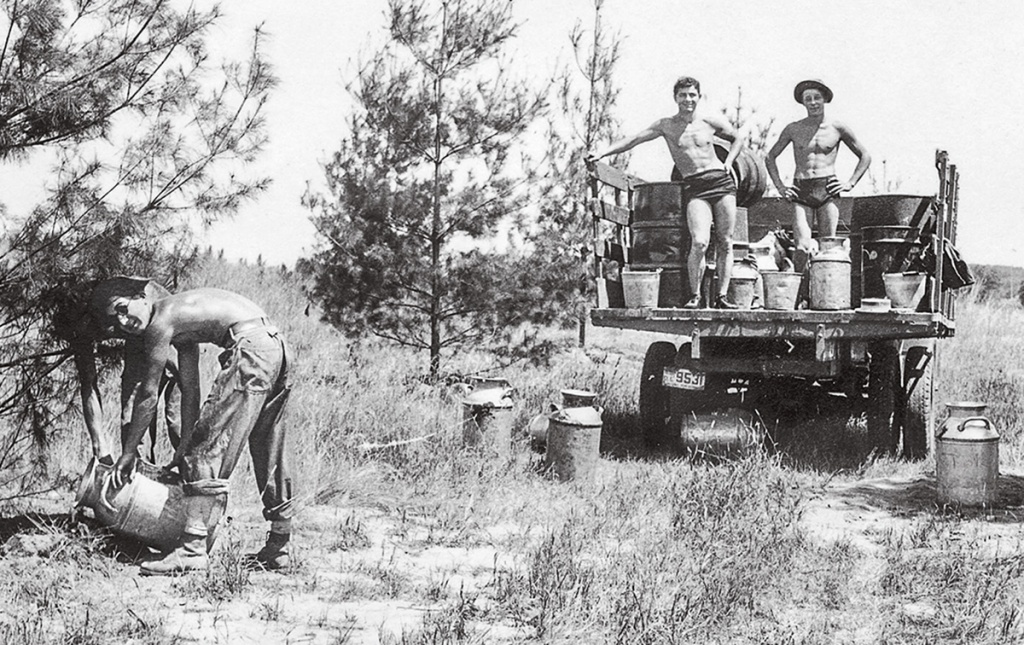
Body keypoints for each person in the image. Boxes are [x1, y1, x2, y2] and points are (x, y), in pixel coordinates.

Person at [90, 276, 295, 576]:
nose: (123, 322)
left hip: (251, 349)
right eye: (114, 319)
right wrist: (185, 442)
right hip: (274, 345)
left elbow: (148, 395)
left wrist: (129, 452)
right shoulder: (182, 318)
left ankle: (192, 549)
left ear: (141, 296)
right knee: (268, 443)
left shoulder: (161, 319)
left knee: (207, 447)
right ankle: (280, 547)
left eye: (123, 308)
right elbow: (190, 387)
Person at [587, 76, 747, 308]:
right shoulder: (666, 125)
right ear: (675, 98)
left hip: (722, 184)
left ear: (698, 97)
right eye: (683, 95)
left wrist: (729, 162)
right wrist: (603, 152)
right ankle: (695, 296)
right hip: (695, 187)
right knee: (700, 242)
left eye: (692, 95)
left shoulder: (709, 121)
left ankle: (722, 297)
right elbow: (635, 139)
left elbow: (738, 137)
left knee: (725, 241)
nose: (687, 99)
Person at [765, 79, 871, 269]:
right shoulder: (793, 128)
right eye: (808, 99)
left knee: (827, 249)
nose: (813, 102)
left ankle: (821, 295)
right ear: (803, 102)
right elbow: (770, 157)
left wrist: (850, 183)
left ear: (824, 100)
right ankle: (799, 294)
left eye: (817, 98)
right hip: (801, 190)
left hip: (827, 189)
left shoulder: (837, 127)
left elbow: (865, 156)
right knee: (802, 248)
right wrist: (781, 187)